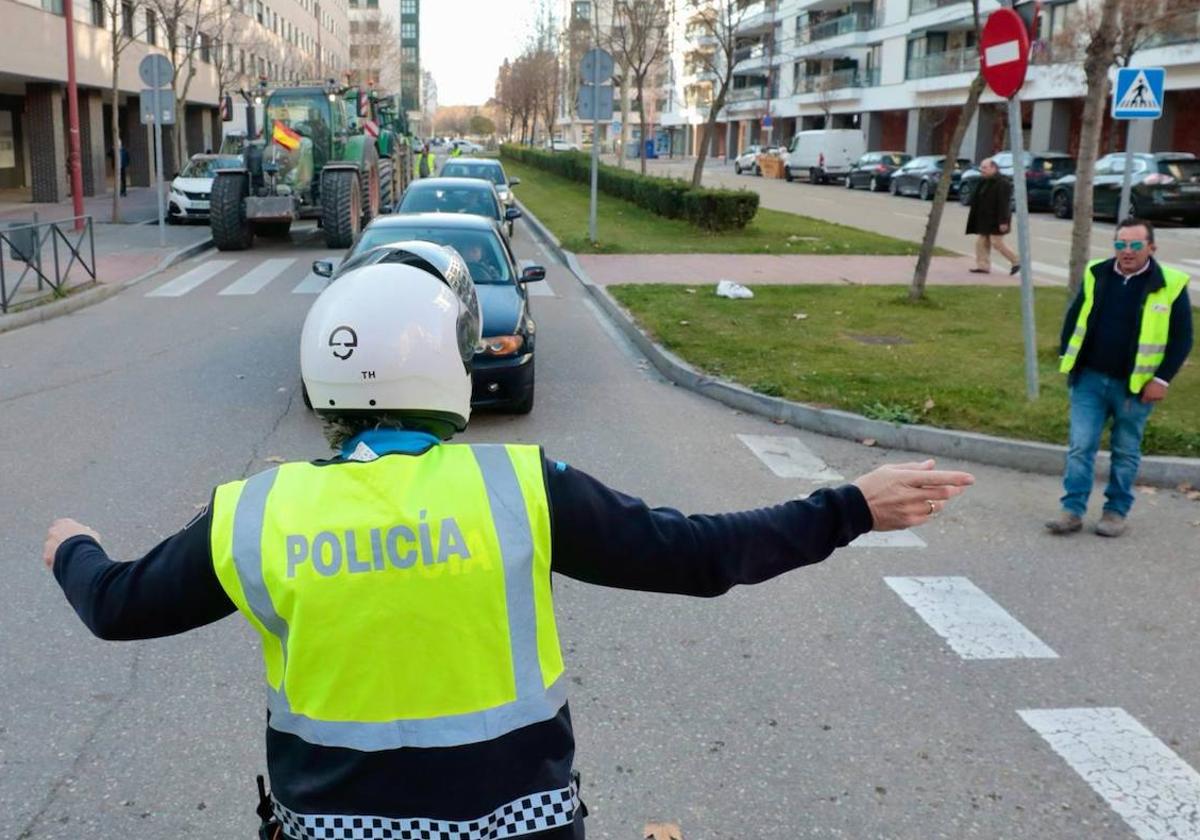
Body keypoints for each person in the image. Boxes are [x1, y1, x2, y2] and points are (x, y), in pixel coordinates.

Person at [43, 243, 974, 840]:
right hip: (518, 833)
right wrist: (849, 506)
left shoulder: (254, 514)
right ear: (443, 365)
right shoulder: (518, 487)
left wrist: (71, 547)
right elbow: (700, 556)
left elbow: (120, 606)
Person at [1047, 218, 1192, 537]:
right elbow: (1075, 317)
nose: (1127, 251)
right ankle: (1071, 510)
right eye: (1121, 244)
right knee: (1080, 446)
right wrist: (1067, 358)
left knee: (1125, 451)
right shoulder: (1097, 273)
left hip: (1135, 387)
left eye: (1135, 245)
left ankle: (1115, 512)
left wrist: (1162, 380)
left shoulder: (1170, 283)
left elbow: (1182, 339)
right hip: (1089, 379)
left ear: (1151, 247)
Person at [966, 158, 1020, 276]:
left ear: (994, 168)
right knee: (981, 242)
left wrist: (1003, 221)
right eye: (981, 167)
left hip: (997, 219)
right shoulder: (984, 181)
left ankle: (1016, 261)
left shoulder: (1003, 183)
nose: (982, 170)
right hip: (985, 219)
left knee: (996, 242)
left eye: (985, 168)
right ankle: (983, 266)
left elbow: (1004, 204)